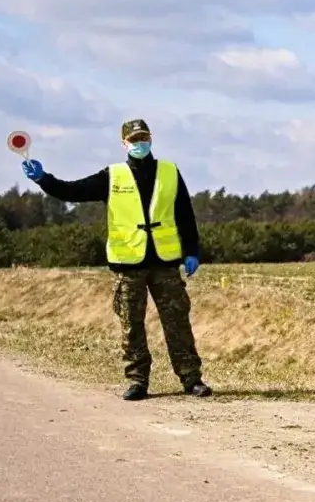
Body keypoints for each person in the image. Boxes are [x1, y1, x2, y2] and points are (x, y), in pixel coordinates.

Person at [21, 118, 212, 402]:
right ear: (124, 143)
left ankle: (191, 379)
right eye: (134, 140)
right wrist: (43, 179)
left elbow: (185, 213)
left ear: (151, 139)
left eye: (143, 138)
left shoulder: (170, 172)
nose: (139, 144)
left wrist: (192, 251)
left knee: (177, 322)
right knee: (131, 325)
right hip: (128, 263)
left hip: (165, 262)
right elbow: (72, 191)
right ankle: (137, 380)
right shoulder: (112, 176)